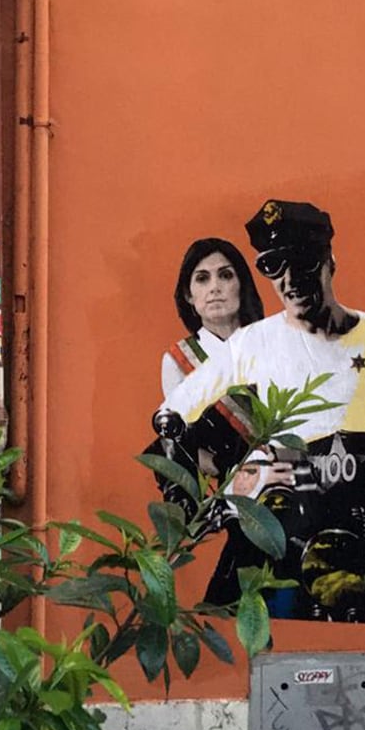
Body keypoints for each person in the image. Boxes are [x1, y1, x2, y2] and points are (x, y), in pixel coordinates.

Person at [156, 200, 365, 627]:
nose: (290, 281)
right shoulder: (252, 343)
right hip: (285, 521)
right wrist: (184, 501)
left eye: (302, 261)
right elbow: (173, 412)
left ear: (329, 261)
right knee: (228, 626)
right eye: (274, 266)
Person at [148, 238, 266, 604]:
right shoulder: (179, 360)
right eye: (202, 278)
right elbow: (181, 444)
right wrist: (230, 468)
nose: (214, 287)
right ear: (189, 295)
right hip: (235, 497)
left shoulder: (272, 344)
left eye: (225, 275)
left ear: (242, 284)